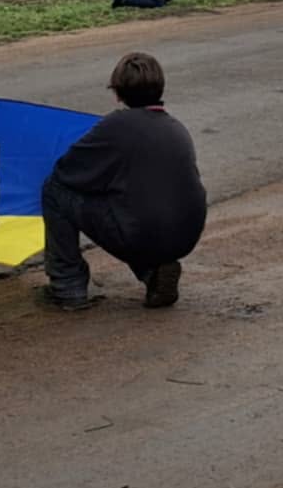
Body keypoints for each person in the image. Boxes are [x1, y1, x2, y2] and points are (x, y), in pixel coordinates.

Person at [40, 51, 207, 310]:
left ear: (117, 93)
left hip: (145, 232)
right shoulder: (175, 127)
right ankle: (153, 273)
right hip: (186, 234)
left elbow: (67, 172)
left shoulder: (116, 125)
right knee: (138, 208)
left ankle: (67, 286)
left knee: (54, 190)